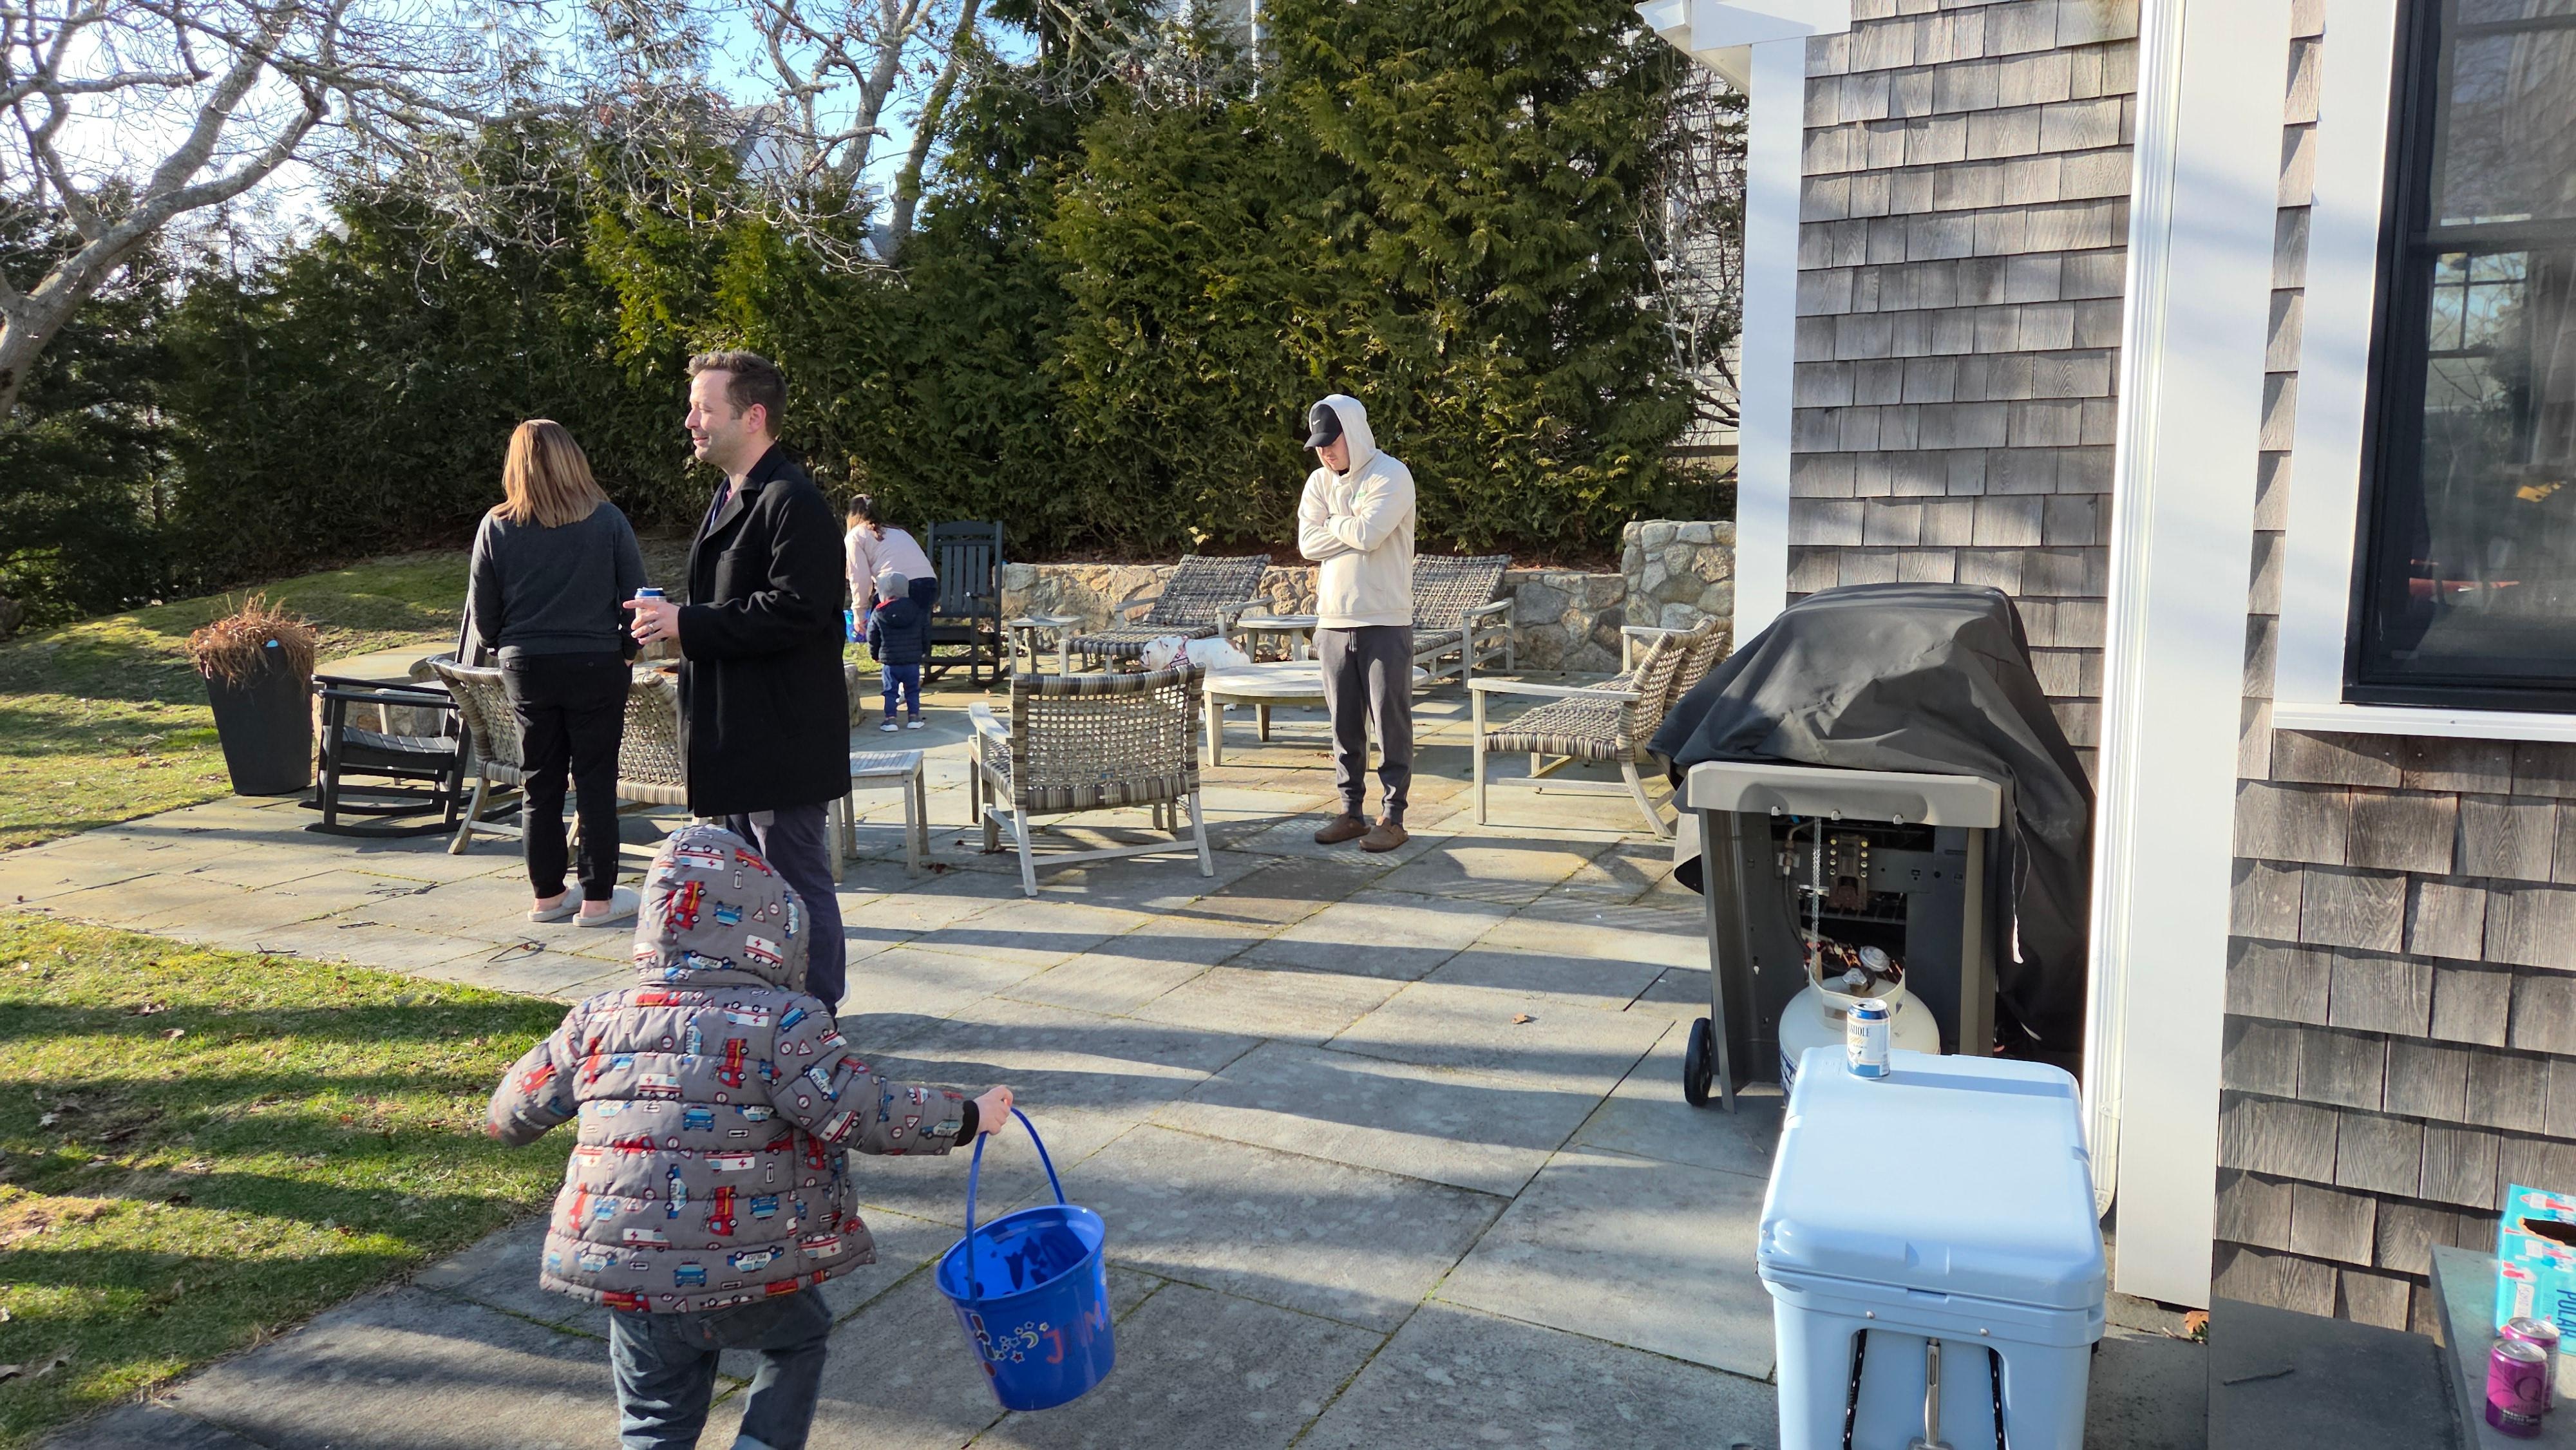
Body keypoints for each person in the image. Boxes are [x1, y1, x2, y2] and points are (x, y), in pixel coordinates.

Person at [486, 824, 1016, 1450]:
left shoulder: (597, 1019)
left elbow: (511, 1112)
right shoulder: (781, 1023)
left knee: (656, 1415)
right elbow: (863, 1109)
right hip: (747, 1267)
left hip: (632, 1275)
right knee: (799, 1338)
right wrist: (967, 1116)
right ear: (775, 934)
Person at [625, 351, 853, 1009]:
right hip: (738, 737)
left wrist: (688, 622)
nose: (690, 420)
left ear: (753, 417)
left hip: (780, 739)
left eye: (704, 408)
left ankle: (816, 1016)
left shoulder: (791, 500)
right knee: (754, 890)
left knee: (796, 885)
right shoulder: (732, 493)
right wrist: (674, 624)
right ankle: (769, 1011)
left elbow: (798, 610)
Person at [469, 419, 648, 926]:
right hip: (595, 663)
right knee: (596, 782)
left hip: (527, 665)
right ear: (573, 460)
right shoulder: (607, 520)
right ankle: (597, 900)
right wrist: (627, 650)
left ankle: (547, 896)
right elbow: (637, 599)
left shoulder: (496, 525)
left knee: (539, 782)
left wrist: (508, 649)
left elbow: (484, 617)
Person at [1297, 393, 1416, 853]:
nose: (1326, 452)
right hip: (1332, 621)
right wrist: (1349, 524)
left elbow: (1370, 535)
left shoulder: (1392, 475)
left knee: (1391, 722)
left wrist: (1334, 522)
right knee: (1343, 726)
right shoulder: (1317, 482)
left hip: (1384, 619)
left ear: (1355, 432)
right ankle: (1351, 813)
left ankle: (1393, 817)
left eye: (1332, 441)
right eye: (1319, 445)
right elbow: (1307, 544)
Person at [844, 495, 938, 620]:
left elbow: (860, 579)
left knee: (880, 629)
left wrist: (859, 613)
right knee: (917, 629)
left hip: (896, 587)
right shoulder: (898, 531)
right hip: (928, 584)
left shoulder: (855, 536)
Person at [864, 568, 930, 732]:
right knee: (913, 690)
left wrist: (875, 655)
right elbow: (925, 633)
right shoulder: (917, 610)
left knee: (890, 692)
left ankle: (890, 720)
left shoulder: (879, 612)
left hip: (890, 662)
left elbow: (872, 636)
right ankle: (914, 718)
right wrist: (923, 651)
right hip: (912, 662)